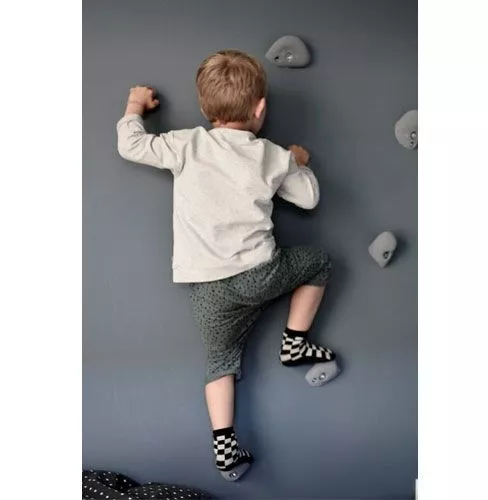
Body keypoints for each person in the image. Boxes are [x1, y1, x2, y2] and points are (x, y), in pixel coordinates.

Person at [116, 49, 340, 481]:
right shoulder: (271, 155)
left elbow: (131, 145)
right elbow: (309, 200)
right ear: (260, 108)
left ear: (205, 110)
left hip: (207, 289)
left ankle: (225, 444)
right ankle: (295, 341)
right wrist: (298, 163)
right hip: (260, 274)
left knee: (219, 362)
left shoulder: (187, 144)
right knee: (319, 262)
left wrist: (135, 105)